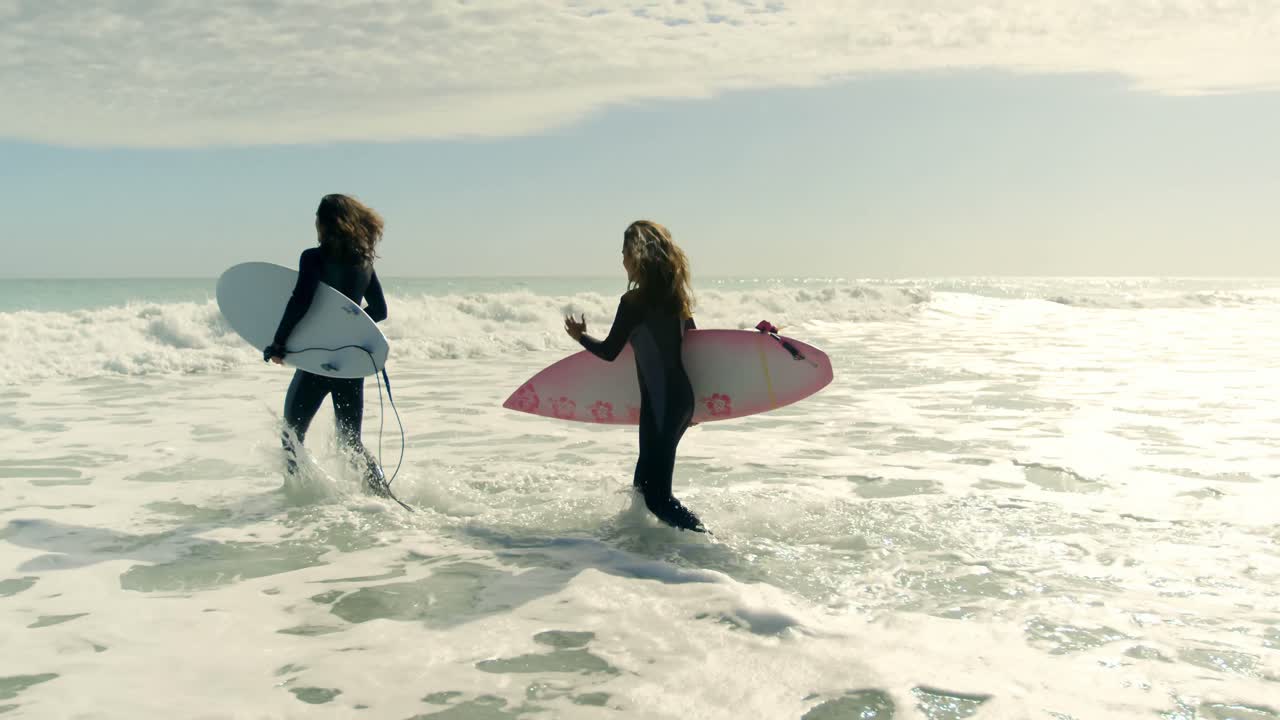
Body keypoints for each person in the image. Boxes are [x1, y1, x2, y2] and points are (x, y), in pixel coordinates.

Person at [564, 220, 706, 532]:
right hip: (679, 402)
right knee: (642, 487)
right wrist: (696, 407)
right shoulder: (676, 299)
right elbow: (695, 348)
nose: (623, 260)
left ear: (639, 255)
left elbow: (610, 352)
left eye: (625, 252)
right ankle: (640, 553)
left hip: (661, 406)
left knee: (656, 497)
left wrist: (580, 337)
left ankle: (708, 542)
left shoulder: (633, 303)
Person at [264, 194, 389, 495]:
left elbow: (301, 302)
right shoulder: (364, 262)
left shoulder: (314, 258)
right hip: (350, 362)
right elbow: (380, 311)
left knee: (291, 436)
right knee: (351, 442)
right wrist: (348, 328)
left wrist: (279, 343)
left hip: (318, 361)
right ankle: (382, 495)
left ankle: (299, 498)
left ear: (325, 223)